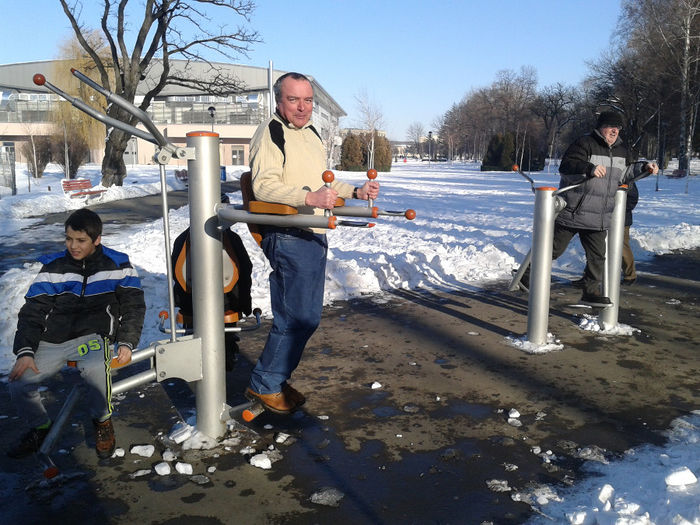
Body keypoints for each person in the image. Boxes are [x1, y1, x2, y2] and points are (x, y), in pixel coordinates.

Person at [245, 71, 379, 413]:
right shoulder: (271, 132)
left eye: (307, 100)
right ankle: (265, 383)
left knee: (307, 317)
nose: (302, 108)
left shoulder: (312, 133)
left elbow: (323, 184)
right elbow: (264, 186)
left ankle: (275, 377)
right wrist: (309, 198)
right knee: (296, 318)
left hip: (313, 232)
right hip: (289, 232)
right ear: (279, 101)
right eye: (294, 100)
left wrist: (356, 192)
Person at [7, 209, 145, 459]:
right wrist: (25, 351)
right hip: (52, 340)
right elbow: (33, 311)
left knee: (95, 373)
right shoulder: (54, 267)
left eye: (80, 240)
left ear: (97, 239)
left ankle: (102, 422)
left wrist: (126, 341)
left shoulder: (119, 265)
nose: (73, 246)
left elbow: (134, 306)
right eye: (68, 239)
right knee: (18, 382)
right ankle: (40, 428)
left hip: (93, 337)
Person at [518, 110, 657, 305]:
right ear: (601, 128)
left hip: (599, 216)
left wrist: (644, 168)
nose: (615, 131)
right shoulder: (584, 143)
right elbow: (567, 166)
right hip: (574, 211)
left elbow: (625, 174)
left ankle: (591, 292)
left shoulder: (622, 151)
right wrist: (588, 168)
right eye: (611, 127)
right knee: (552, 250)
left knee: (598, 257)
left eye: (618, 128)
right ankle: (525, 277)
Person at [171, 193, 253, 370]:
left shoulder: (182, 240)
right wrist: (245, 304)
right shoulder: (233, 240)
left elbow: (176, 273)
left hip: (191, 304)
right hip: (226, 302)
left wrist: (183, 301)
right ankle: (228, 348)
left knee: (192, 330)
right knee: (229, 304)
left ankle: (193, 351)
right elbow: (245, 270)